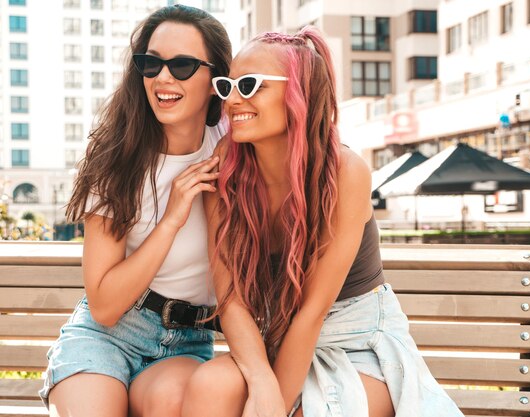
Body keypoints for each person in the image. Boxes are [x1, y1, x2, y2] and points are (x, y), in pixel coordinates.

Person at [183, 27, 465, 417]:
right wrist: (262, 382)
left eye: (249, 85)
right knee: (208, 387)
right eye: (227, 85)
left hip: (358, 342)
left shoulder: (345, 172)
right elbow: (230, 299)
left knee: (313, 411)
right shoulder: (224, 170)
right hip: (274, 339)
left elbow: (311, 312)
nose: (233, 99)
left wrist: (275, 407)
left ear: (299, 93)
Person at [40, 5, 231, 417]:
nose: (163, 77)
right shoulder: (116, 160)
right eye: (151, 63)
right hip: (106, 336)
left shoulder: (232, 145)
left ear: (217, 81)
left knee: (177, 402)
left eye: (181, 65)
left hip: (186, 341)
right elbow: (106, 305)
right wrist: (173, 218)